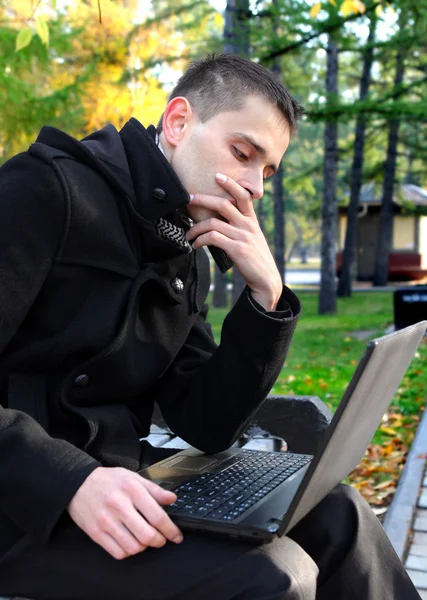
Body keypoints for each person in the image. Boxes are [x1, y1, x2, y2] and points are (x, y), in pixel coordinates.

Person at [0, 53, 420, 600]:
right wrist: (68, 479)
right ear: (177, 123)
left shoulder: (184, 247)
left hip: (125, 486)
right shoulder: (43, 190)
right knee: (277, 575)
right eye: (242, 153)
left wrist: (266, 300)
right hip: (25, 507)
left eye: (267, 171)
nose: (256, 187)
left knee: (337, 513)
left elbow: (207, 422)